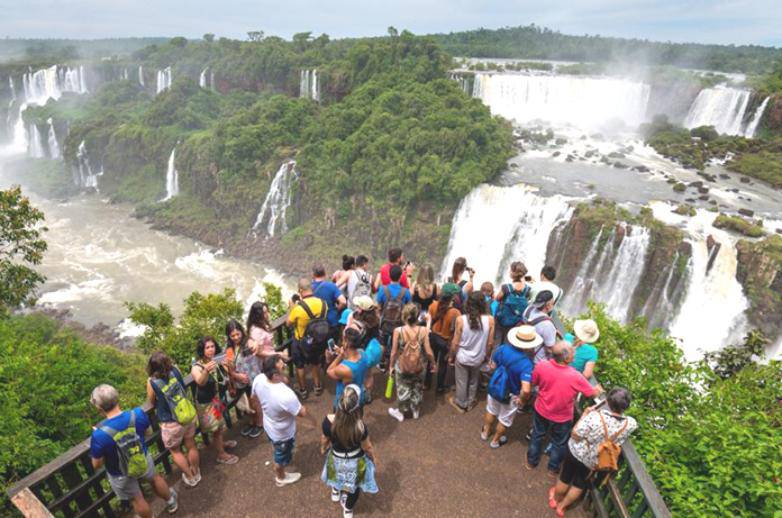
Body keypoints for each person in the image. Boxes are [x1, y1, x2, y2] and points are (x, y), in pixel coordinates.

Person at [90, 384, 178, 517]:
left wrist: (100, 435)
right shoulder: (137, 414)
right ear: (117, 397)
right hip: (141, 457)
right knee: (155, 479)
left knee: (136, 499)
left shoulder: (99, 435)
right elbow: (148, 433)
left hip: (120, 472)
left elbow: (97, 464)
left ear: (98, 407)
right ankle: (171, 502)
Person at [550, 388, 637, 517]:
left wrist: (585, 414)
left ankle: (555, 499)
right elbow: (629, 422)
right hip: (593, 459)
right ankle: (562, 507)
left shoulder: (595, 417)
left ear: (607, 402)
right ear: (626, 406)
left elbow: (575, 434)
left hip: (576, 451)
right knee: (579, 483)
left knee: (565, 476)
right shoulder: (629, 424)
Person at [526, 341, 601, 474]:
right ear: (566, 358)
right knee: (559, 443)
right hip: (562, 417)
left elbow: (534, 382)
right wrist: (598, 390)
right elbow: (591, 393)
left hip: (541, 409)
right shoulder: (575, 376)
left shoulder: (542, 366)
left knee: (537, 435)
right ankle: (552, 468)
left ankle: (531, 462)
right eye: (573, 352)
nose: (575, 353)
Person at [252, 354, 313, 487]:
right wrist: (304, 407)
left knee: (276, 445)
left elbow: (254, 397)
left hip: (269, 425)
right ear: (275, 376)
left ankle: (280, 456)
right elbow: (301, 412)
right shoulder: (285, 395)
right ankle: (280, 476)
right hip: (283, 433)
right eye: (283, 366)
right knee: (280, 456)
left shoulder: (259, 379)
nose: (285, 367)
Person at [320, 384, 379, 518]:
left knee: (336, 474)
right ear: (357, 407)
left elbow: (324, 439)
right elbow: (367, 447)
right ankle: (348, 509)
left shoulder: (328, 421)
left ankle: (335, 491)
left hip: (335, 457)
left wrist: (323, 448)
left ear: (339, 402)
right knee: (354, 486)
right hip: (355, 460)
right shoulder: (360, 426)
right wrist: (373, 458)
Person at [146, 352, 201, 487]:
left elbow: (151, 401)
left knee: (175, 451)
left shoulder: (152, 382)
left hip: (170, 422)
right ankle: (196, 471)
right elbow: (182, 384)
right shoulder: (175, 370)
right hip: (187, 415)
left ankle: (190, 476)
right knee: (191, 444)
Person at [481, 326, 538, 448]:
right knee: (504, 419)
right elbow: (526, 389)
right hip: (511, 394)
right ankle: (495, 441)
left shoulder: (502, 349)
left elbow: (493, 366)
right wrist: (522, 400)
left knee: (491, 409)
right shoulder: (526, 364)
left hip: (495, 387)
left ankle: (485, 432)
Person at [191, 337, 239, 465]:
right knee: (215, 429)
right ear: (202, 350)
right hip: (206, 403)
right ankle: (221, 454)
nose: (211, 349)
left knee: (219, 425)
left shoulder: (218, 360)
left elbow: (225, 376)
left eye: (212, 346)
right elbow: (200, 382)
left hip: (216, 399)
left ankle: (221, 445)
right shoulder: (197, 366)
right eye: (207, 347)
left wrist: (229, 364)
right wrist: (206, 370)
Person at [448, 291, 494, 413]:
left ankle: (461, 403)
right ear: (483, 304)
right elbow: (490, 343)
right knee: (474, 380)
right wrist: (487, 356)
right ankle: (470, 401)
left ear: (468, 303)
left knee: (461, 381)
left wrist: (451, 356)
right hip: (479, 357)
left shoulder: (461, 320)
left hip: (462, 357)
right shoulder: (490, 320)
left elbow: (455, 343)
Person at [388, 304, 436, 421]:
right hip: (419, 366)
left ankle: (401, 412)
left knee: (402, 388)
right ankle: (415, 410)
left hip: (402, 366)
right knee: (417, 387)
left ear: (404, 316)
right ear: (417, 316)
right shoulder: (423, 330)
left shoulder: (398, 331)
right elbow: (429, 351)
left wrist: (390, 366)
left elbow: (394, 352)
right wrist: (433, 363)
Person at [287, 277, 328, 399]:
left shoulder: (298, 308)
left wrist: (292, 307)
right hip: (316, 340)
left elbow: (288, 323)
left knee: (299, 366)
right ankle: (317, 386)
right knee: (315, 363)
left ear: (300, 290)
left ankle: (303, 390)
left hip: (300, 341)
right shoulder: (323, 303)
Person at [226, 319, 264, 438]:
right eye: (233, 335)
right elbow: (230, 367)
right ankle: (252, 422)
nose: (236, 337)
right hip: (241, 381)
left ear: (242, 332)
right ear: (229, 336)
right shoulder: (230, 349)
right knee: (248, 403)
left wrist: (256, 344)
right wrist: (236, 376)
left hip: (253, 378)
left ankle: (260, 424)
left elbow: (257, 346)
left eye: (238, 334)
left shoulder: (248, 342)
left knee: (255, 402)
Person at [327, 326, 375, 408]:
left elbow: (329, 371)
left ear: (346, 343)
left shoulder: (344, 369)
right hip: (358, 396)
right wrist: (343, 354)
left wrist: (340, 356)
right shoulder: (362, 353)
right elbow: (352, 359)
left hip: (345, 402)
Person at [349, 295, 383, 402]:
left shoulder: (357, 322)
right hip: (369, 351)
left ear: (362, 309)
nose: (356, 308)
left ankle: (357, 394)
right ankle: (368, 395)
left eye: (358, 306)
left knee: (356, 374)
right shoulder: (376, 319)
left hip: (358, 351)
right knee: (368, 373)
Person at [427, 288, 461, 393]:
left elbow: (430, 320)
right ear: (451, 299)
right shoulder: (456, 312)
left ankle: (426, 383)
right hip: (445, 341)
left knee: (431, 360)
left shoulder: (433, 306)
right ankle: (440, 387)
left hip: (433, 337)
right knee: (442, 364)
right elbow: (456, 329)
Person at [376, 264, 411, 364]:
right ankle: (395, 364)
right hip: (399, 324)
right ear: (400, 277)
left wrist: (380, 319)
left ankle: (381, 362)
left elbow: (378, 307)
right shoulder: (406, 292)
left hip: (385, 323)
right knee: (397, 345)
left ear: (389, 275)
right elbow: (409, 309)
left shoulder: (383, 289)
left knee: (382, 343)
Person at [495, 261, 531, 344]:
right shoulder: (527, 289)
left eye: (510, 270)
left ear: (514, 273)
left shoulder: (506, 287)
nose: (509, 272)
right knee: (511, 340)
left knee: (499, 339)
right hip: (517, 321)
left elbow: (497, 298)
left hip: (503, 319)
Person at [312, 263, 347, 341]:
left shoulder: (309, 288)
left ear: (313, 275)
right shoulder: (331, 286)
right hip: (332, 322)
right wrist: (337, 309)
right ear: (324, 273)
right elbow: (343, 301)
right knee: (332, 346)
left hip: (317, 324)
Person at [522, 290, 559, 364]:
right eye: (553, 303)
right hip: (536, 360)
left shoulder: (528, 309)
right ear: (548, 305)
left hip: (522, 349)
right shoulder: (547, 324)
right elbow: (549, 348)